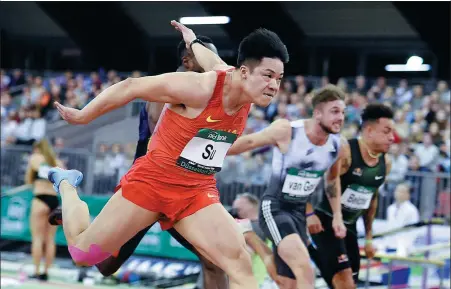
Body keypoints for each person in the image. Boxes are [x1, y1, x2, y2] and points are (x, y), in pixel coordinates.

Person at [48, 20, 289, 289]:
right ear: (244, 72)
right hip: (151, 184)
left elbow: (210, 58)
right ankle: (67, 184)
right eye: (268, 76)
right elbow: (131, 87)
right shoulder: (199, 88)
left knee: (240, 265)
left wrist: (193, 39)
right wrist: (84, 115)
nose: (274, 85)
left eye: (279, 78)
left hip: (195, 192)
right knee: (84, 254)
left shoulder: (240, 84)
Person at [228, 84, 349, 289]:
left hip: (298, 212)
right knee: (306, 270)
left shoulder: (338, 145)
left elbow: (332, 179)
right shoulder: (287, 131)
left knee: (288, 283)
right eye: (335, 111)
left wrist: (337, 215)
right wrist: (208, 150)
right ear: (318, 113)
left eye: (343, 112)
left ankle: (250, 236)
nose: (341, 117)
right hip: (275, 208)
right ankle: (252, 236)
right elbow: (249, 142)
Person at [307, 104, 394, 289]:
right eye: (386, 132)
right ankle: (309, 245)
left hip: (350, 227)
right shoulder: (346, 151)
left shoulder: (386, 163)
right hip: (326, 221)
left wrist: (369, 238)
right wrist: (308, 213)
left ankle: (312, 251)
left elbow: (372, 198)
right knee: (344, 282)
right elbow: (311, 176)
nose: (392, 138)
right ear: (369, 131)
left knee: (349, 283)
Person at [24, 139, 64, 281]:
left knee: (38, 238)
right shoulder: (58, 162)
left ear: (37, 148)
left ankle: (36, 271)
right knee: (50, 239)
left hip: (40, 199)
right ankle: (45, 272)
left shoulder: (35, 158)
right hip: (54, 201)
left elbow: (29, 179)